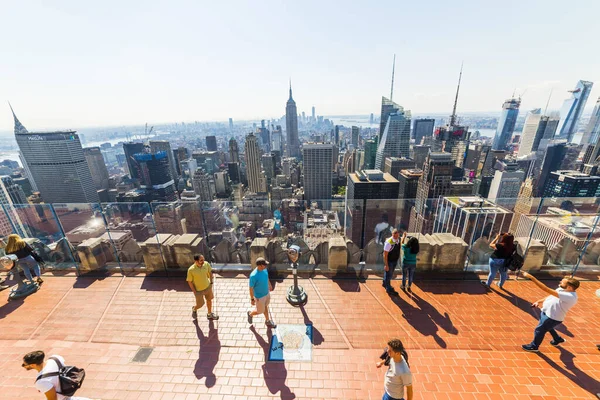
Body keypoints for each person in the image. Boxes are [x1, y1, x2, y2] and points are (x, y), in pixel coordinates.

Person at [520, 272, 579, 352]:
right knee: (547, 327)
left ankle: (534, 346)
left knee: (539, 330)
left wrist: (531, 277)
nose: (560, 282)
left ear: (569, 287)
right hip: (546, 312)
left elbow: (546, 289)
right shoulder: (562, 289)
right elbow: (551, 295)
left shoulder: (570, 297)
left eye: (562, 282)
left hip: (552, 317)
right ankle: (557, 339)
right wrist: (539, 301)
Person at [22, 350, 91, 400]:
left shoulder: (42, 381)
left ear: (33, 365)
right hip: (67, 393)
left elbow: (53, 399)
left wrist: (43, 385)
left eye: (24, 364)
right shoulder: (55, 358)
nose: (23, 366)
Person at [187, 254, 219, 321]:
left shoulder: (206, 264)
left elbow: (210, 272)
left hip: (207, 287)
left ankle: (209, 314)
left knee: (209, 300)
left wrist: (211, 282)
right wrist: (194, 291)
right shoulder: (191, 270)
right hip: (198, 291)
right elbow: (189, 281)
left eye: (203, 259)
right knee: (200, 304)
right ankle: (194, 309)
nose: (203, 261)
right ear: (196, 261)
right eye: (201, 260)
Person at [247, 257, 276, 328]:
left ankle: (267, 321)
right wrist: (252, 299)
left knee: (266, 306)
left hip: (266, 293)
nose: (266, 266)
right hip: (259, 297)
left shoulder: (264, 269)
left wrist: (269, 284)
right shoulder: (253, 276)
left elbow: (267, 277)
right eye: (264, 264)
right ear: (260, 265)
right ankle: (250, 314)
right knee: (260, 311)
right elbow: (251, 289)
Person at [383, 229, 401, 295]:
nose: (396, 237)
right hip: (390, 261)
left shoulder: (398, 240)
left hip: (394, 260)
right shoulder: (389, 243)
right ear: (392, 234)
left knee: (388, 273)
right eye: (394, 236)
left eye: (397, 236)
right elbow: (385, 255)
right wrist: (386, 265)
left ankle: (384, 283)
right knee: (389, 275)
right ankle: (388, 288)